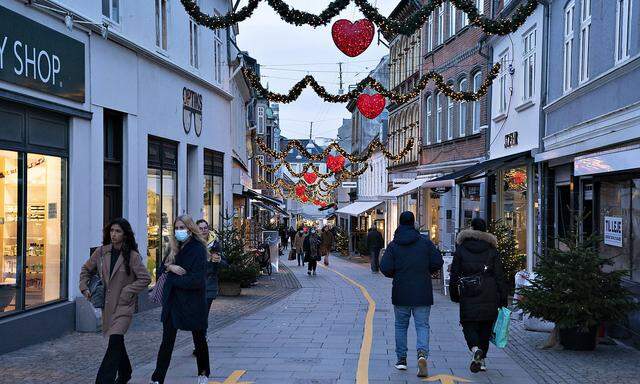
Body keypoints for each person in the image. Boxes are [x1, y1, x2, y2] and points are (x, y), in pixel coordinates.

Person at [79, 218, 151, 384]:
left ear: (125, 235)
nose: (114, 234)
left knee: (115, 340)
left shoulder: (132, 256)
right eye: (112, 231)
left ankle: (103, 381)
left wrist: (128, 291)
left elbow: (145, 278)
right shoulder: (102, 252)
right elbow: (85, 270)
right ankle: (126, 372)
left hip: (124, 306)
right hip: (107, 306)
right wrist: (85, 288)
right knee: (117, 341)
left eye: (118, 231)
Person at [380, 211, 443, 378]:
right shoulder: (425, 243)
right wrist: (426, 271)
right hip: (422, 291)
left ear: (400, 224)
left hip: (401, 291)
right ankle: (422, 354)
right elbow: (438, 262)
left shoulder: (394, 245)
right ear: (414, 223)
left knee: (401, 326)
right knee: (422, 325)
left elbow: (385, 267)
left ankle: (401, 359)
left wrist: (397, 274)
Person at [150, 215, 210, 384]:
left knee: (199, 339)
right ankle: (157, 378)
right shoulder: (173, 247)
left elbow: (197, 280)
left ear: (190, 229)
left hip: (193, 302)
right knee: (166, 342)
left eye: (182, 228)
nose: (179, 231)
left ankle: (203, 373)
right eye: (176, 228)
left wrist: (172, 279)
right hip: (172, 302)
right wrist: (171, 267)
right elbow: (161, 270)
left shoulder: (198, 249)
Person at [450, 218, 507, 374]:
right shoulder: (492, 250)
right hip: (489, 291)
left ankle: (475, 349)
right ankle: (481, 361)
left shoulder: (461, 248)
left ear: (472, 229)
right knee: (485, 327)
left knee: (468, 324)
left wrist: (454, 294)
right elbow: (499, 275)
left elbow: (454, 273)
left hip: (468, 292)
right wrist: (503, 297)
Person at [193, 219, 228, 356]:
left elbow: (226, 264)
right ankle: (199, 341)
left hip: (209, 285)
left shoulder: (216, 244)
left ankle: (200, 343)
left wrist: (219, 261)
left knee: (202, 315)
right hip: (194, 285)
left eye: (205, 228)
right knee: (196, 316)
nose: (203, 231)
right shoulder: (192, 244)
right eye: (200, 228)